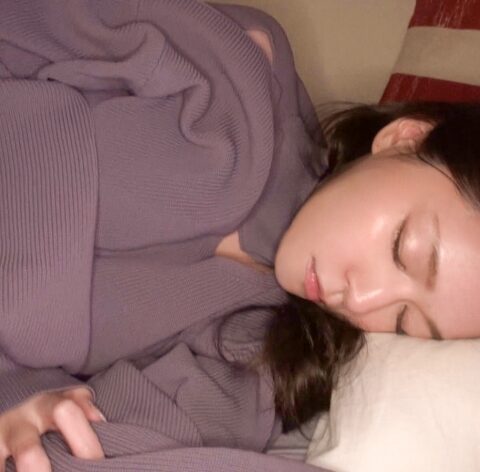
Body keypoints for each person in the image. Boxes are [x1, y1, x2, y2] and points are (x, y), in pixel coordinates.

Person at [1, 1, 479, 471]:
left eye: (402, 322)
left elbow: (83, 449)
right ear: (403, 139)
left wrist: (21, 398)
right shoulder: (238, 75)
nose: (362, 299)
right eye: (402, 250)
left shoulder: (263, 362)